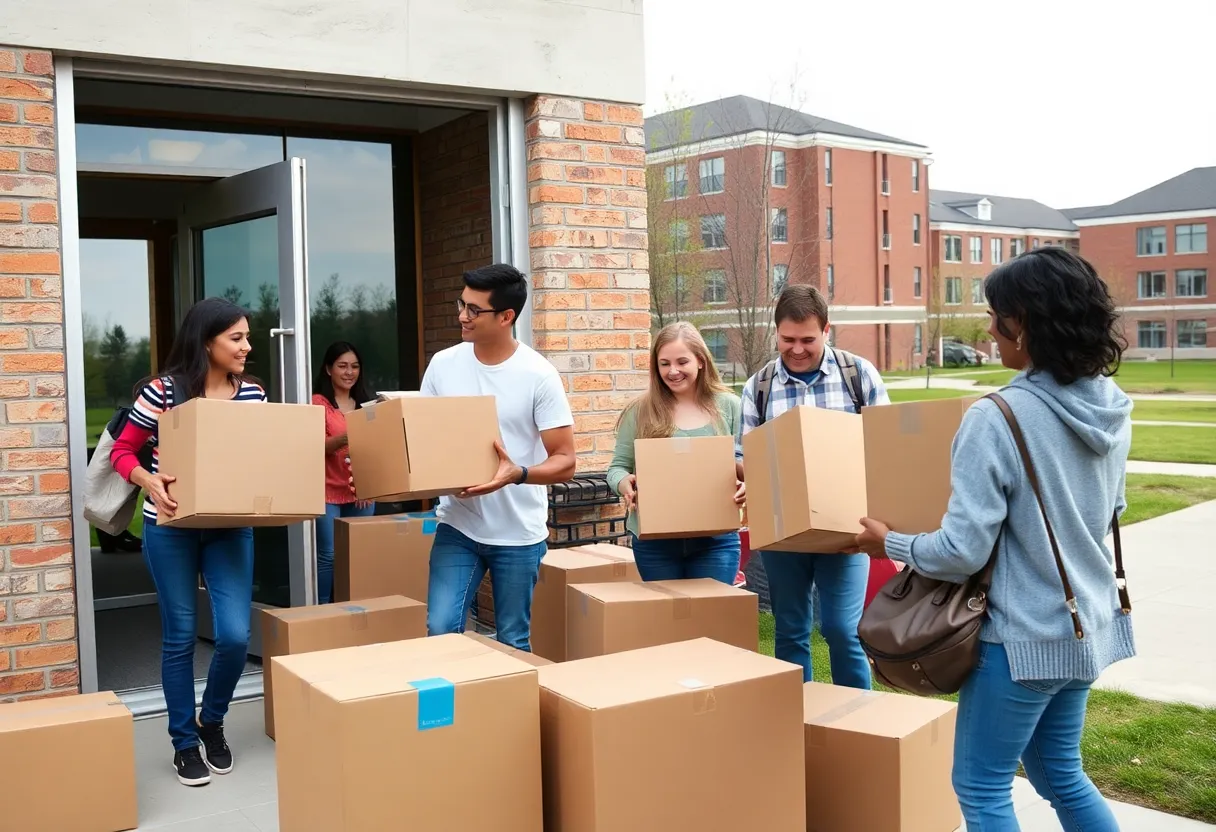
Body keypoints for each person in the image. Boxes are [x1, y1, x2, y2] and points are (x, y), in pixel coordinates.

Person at [856, 248, 1134, 830]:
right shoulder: (1112, 406)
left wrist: (892, 544)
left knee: (980, 785)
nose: (989, 329)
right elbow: (1112, 508)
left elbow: (961, 552)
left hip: (1021, 641)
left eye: (997, 315)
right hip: (1086, 626)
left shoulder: (997, 416)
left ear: (1028, 321)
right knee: (1062, 773)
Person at [109, 297, 267, 788]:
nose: (247, 346)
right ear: (207, 343)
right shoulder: (162, 392)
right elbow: (123, 449)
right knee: (179, 638)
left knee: (237, 637)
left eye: (246, 336)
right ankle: (183, 742)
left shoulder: (253, 395)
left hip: (229, 526)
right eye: (236, 338)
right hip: (170, 526)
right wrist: (147, 480)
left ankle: (211, 720)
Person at [735, 284, 889, 686]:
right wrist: (748, 478)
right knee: (790, 629)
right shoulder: (760, 387)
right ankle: (799, 723)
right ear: (776, 333)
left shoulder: (858, 375)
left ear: (826, 330)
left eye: (808, 339)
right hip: (783, 530)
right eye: (788, 340)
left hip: (845, 527)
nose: (797, 349)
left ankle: (856, 723)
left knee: (842, 628)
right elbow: (742, 456)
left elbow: (886, 447)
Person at [420, 264, 576, 650]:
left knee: (512, 641)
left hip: (518, 532)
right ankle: (457, 712)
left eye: (474, 310)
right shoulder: (444, 365)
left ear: (507, 317)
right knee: (441, 630)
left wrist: (517, 473)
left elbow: (566, 461)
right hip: (459, 524)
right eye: (462, 304)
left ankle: (506, 711)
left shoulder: (538, 375)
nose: (462, 315)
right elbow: (420, 439)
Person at [607, 321, 743, 583]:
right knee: (666, 622)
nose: (673, 371)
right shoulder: (641, 410)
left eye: (682, 362)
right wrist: (624, 482)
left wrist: (746, 480)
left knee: (710, 619)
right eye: (664, 363)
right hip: (655, 543)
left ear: (700, 361)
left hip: (715, 539)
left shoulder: (730, 406)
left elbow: (749, 463)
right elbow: (617, 468)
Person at [312, 341, 376, 604]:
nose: (349, 372)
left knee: (358, 554)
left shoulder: (367, 404)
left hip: (361, 491)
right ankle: (321, 610)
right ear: (328, 369)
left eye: (355, 366)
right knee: (329, 554)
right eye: (342, 366)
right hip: (327, 491)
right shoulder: (319, 403)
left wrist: (368, 483)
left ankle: (353, 612)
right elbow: (315, 447)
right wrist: (349, 436)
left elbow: (378, 449)